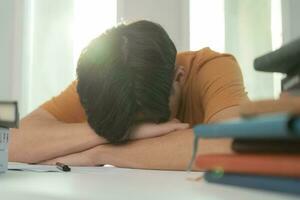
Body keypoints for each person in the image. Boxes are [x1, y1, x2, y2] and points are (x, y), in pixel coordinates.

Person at [8, 20, 248, 170]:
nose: (140, 130)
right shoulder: (104, 82)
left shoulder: (211, 67)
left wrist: (102, 152)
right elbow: (13, 142)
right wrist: (113, 131)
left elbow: (231, 145)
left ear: (179, 77)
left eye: (149, 121)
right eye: (127, 128)